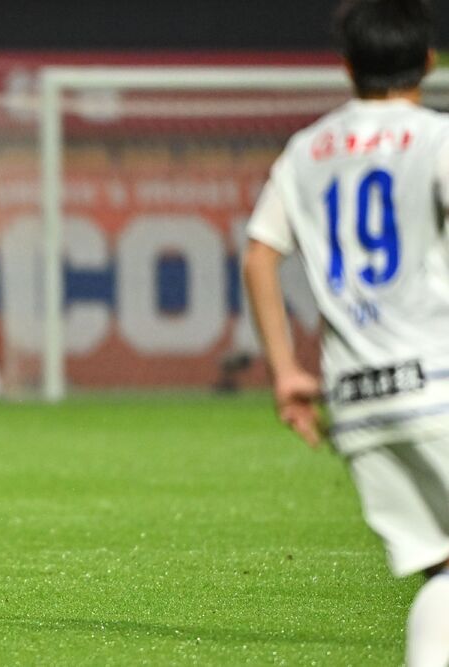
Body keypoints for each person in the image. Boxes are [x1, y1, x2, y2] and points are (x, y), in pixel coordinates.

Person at [243, 1, 449, 663]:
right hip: (439, 382)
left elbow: (259, 256)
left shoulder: (307, 150)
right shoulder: (438, 138)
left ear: (347, 66)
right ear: (428, 61)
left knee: (440, 566)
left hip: (358, 398)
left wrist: (286, 372)